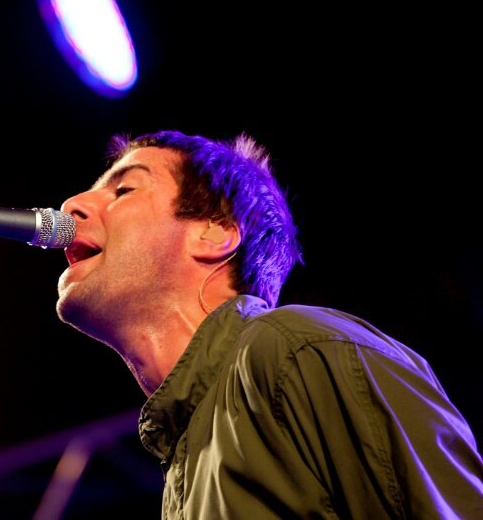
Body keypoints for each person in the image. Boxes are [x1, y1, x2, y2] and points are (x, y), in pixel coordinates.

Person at [55, 129, 483, 518]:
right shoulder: (188, 455)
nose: (72, 205)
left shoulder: (297, 350)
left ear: (215, 232)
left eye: (124, 189)